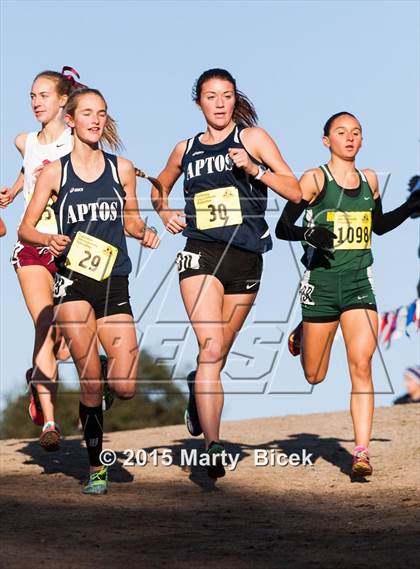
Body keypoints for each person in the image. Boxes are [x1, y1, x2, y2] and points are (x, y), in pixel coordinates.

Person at [152, 68, 301, 478]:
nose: (219, 103)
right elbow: (160, 184)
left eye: (227, 96)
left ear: (236, 100)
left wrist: (254, 169)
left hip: (248, 257)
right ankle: (212, 445)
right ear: (198, 101)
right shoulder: (185, 148)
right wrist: (164, 210)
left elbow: (296, 190)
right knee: (213, 347)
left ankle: (196, 393)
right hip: (200, 252)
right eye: (211, 96)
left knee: (215, 356)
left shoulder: (252, 139)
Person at [19, 87, 160, 494]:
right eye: (88, 114)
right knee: (91, 384)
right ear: (72, 120)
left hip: (114, 281)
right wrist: (49, 239)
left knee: (126, 386)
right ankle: (97, 467)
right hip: (73, 284)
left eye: (101, 114)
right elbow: (27, 228)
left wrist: (146, 232)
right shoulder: (54, 172)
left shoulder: (123, 169)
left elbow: (131, 222)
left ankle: (99, 369)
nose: (96, 121)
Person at [276, 111, 420, 477]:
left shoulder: (370, 180)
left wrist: (409, 207)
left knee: (361, 365)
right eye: (341, 133)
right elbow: (282, 228)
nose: (350, 138)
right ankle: (303, 331)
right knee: (314, 375)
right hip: (321, 287)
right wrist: (310, 235)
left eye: (356, 132)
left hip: (359, 286)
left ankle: (361, 452)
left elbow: (380, 226)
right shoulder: (313, 180)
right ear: (327, 141)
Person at [0, 67, 84, 450]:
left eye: (44, 95)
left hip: (71, 246)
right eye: (32, 96)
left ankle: (39, 376)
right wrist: (15, 191)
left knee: (66, 342)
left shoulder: (77, 141)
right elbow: (30, 164)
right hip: (33, 244)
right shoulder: (24, 140)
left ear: (63, 99)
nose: (36, 102)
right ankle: (50, 422)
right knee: (45, 325)